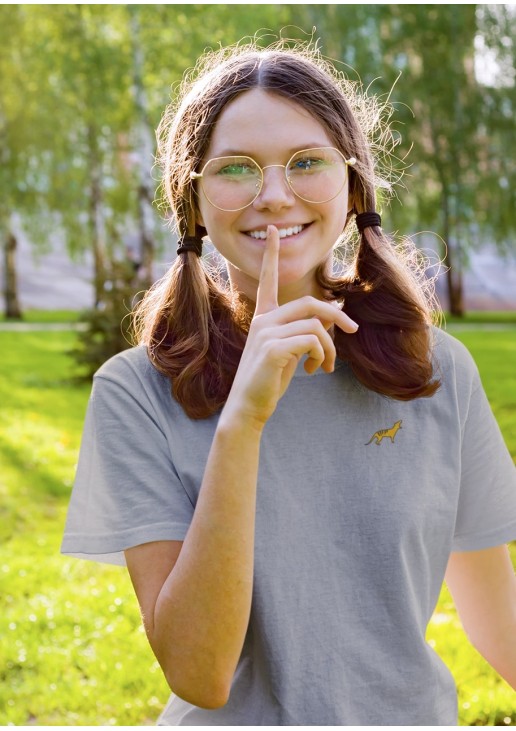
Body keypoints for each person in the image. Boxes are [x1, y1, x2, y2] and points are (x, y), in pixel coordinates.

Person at [61, 41, 516, 725]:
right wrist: (243, 420)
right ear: (191, 201)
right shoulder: (135, 392)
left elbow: (496, 614)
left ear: (354, 185)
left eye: (307, 162)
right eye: (236, 168)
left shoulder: (435, 370)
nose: (274, 196)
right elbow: (199, 671)